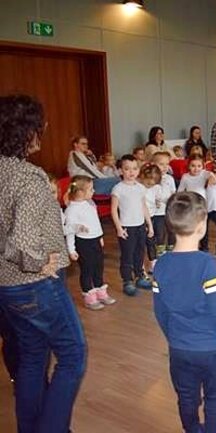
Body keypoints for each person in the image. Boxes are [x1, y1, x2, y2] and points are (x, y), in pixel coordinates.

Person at [0, 94, 86, 433]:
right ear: (27, 131)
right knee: (73, 355)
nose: (45, 129)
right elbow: (22, 243)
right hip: (35, 286)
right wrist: (39, 262)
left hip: (7, 287)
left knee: (33, 357)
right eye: (40, 124)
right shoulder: (28, 178)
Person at [153, 191, 216, 433]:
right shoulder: (207, 264)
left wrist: (173, 337)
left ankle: (192, 429)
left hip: (179, 349)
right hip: (211, 349)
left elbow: (159, 311)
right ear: (202, 226)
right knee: (215, 396)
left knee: (186, 396)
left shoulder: (161, 264)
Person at [64, 175, 116, 310]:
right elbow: (69, 231)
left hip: (95, 240)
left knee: (98, 266)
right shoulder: (71, 210)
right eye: (91, 189)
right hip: (83, 243)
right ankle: (89, 296)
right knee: (87, 269)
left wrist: (100, 236)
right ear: (80, 192)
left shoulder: (89, 203)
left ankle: (100, 291)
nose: (94, 191)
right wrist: (71, 250)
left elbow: (95, 221)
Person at [111, 154, 154, 296]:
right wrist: (119, 228)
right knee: (127, 255)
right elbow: (113, 210)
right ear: (121, 171)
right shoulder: (118, 188)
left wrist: (149, 224)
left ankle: (139, 276)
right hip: (126, 227)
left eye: (135, 168)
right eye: (127, 169)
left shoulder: (140, 187)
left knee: (140, 253)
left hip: (140, 226)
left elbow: (143, 206)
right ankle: (127, 280)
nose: (131, 172)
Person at [139, 164, 163, 271]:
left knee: (151, 241)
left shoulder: (156, 188)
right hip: (139, 218)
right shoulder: (139, 187)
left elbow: (158, 198)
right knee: (140, 243)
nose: (150, 186)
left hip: (151, 216)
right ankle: (140, 265)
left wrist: (157, 202)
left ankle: (153, 262)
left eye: (153, 184)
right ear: (142, 177)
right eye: (148, 183)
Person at [152, 152, 177, 251]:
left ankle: (171, 249)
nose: (165, 167)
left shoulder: (170, 178)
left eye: (167, 164)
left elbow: (173, 193)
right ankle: (160, 251)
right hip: (157, 212)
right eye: (161, 164)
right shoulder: (151, 179)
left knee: (172, 231)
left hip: (169, 211)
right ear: (153, 164)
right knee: (160, 233)